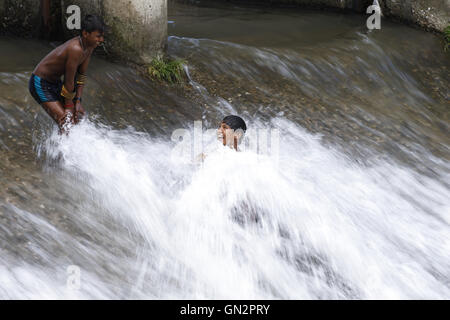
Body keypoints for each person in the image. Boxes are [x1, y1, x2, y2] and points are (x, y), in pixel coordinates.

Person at [29, 15, 105, 131]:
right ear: (85, 34)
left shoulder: (90, 47)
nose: (101, 40)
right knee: (67, 123)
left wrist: (78, 101)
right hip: (40, 83)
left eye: (102, 36)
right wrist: (69, 106)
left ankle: (62, 145)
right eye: (98, 36)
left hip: (55, 83)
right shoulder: (75, 49)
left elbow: (81, 76)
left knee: (77, 119)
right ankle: (61, 148)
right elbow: (69, 80)